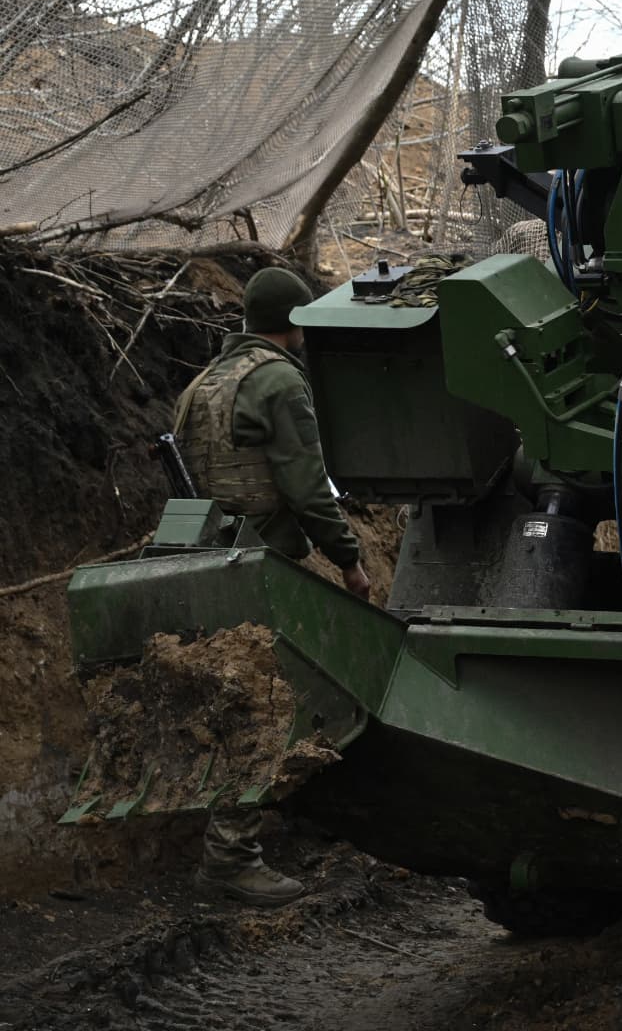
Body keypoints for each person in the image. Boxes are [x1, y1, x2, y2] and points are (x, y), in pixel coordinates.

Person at [173, 266, 369, 906]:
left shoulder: (201, 385)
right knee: (266, 706)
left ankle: (249, 836)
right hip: (264, 568)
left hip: (200, 558)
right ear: (296, 322)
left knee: (230, 705)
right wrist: (348, 559)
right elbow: (308, 489)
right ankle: (232, 858)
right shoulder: (280, 380)